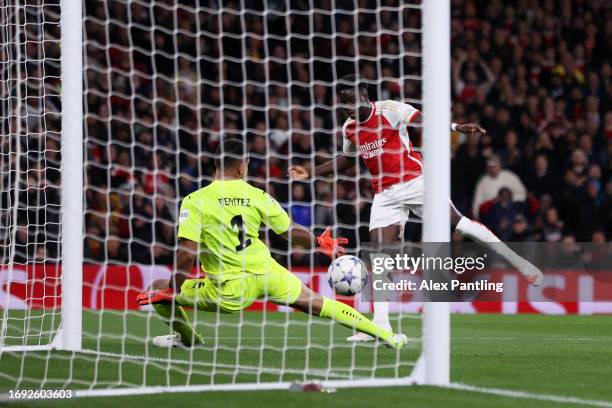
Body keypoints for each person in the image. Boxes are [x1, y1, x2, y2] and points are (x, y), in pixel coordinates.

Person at [287, 75, 543, 342]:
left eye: (350, 100)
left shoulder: (390, 109)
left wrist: (455, 127)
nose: (347, 107)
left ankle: (521, 263)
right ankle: (381, 326)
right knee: (379, 254)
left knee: (460, 225)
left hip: (414, 182)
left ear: (364, 95)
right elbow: (348, 160)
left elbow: (424, 122)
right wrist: (311, 171)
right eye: (343, 103)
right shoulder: (349, 128)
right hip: (384, 194)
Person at [136, 138, 409, 350]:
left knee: (158, 289)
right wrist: (317, 240)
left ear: (215, 164)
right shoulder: (257, 195)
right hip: (268, 273)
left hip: (230, 289)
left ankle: (188, 338)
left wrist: (173, 290)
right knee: (318, 303)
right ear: (242, 165)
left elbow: (187, 253)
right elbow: (288, 231)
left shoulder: (195, 200)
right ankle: (386, 335)